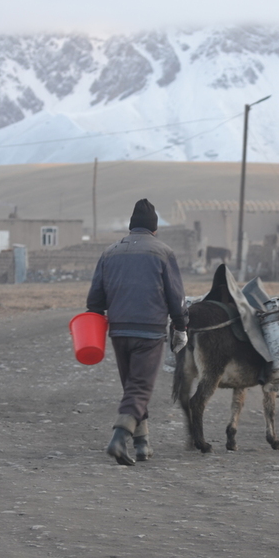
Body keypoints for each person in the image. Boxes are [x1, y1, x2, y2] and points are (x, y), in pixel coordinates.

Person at [86, 198, 189, 465]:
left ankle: (142, 443)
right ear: (154, 229)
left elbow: (94, 302)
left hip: (119, 331)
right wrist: (181, 327)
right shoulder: (163, 252)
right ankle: (119, 437)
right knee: (141, 387)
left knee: (132, 386)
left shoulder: (110, 252)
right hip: (150, 331)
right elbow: (176, 296)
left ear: (131, 227)